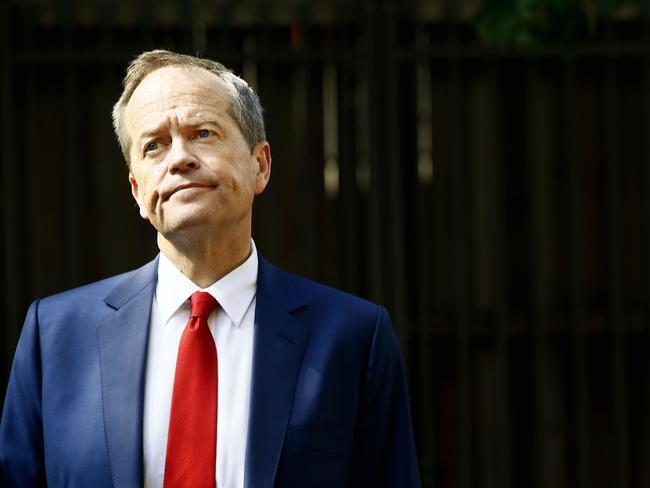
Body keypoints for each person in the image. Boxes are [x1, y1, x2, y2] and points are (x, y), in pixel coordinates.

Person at [0, 50, 420, 487]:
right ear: (137, 191)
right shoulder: (55, 336)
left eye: (202, 133)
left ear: (260, 165)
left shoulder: (352, 337)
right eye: (153, 146)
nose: (179, 158)